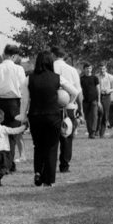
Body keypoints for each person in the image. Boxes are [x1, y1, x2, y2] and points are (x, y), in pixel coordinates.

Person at [21, 50, 79, 187]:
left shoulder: (29, 78)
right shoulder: (57, 78)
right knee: (52, 147)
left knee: (38, 146)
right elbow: (75, 91)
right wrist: (68, 103)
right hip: (53, 115)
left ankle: (38, 172)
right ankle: (49, 180)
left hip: (35, 116)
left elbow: (24, 100)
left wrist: (23, 116)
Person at [0, 44, 26, 171]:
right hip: (15, 104)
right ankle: (8, 163)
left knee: (0, 134)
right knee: (12, 135)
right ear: (14, 56)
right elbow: (23, 88)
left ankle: (5, 162)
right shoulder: (19, 69)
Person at [51, 46, 81, 172]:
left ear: (53, 55)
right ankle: (64, 164)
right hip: (68, 106)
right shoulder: (72, 70)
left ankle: (50, 163)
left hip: (51, 105)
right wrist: (73, 103)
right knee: (67, 136)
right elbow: (78, 90)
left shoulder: (49, 67)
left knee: (51, 137)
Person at [0, 108, 27, 187]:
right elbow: (14, 131)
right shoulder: (3, 128)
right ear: (1, 119)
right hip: (2, 151)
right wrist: (23, 127)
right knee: (5, 167)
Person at [79, 63, 101, 139]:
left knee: (95, 116)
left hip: (94, 100)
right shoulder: (81, 79)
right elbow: (79, 90)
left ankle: (93, 132)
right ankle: (90, 132)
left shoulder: (95, 78)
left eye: (90, 68)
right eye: (87, 68)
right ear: (84, 69)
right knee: (87, 117)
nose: (89, 70)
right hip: (85, 101)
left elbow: (98, 89)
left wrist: (99, 101)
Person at [98, 65, 113, 135]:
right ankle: (96, 131)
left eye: (103, 69)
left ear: (106, 69)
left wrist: (109, 90)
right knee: (98, 113)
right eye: (100, 69)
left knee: (105, 115)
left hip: (107, 96)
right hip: (99, 96)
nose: (102, 70)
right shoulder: (97, 77)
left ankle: (102, 133)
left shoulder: (110, 77)